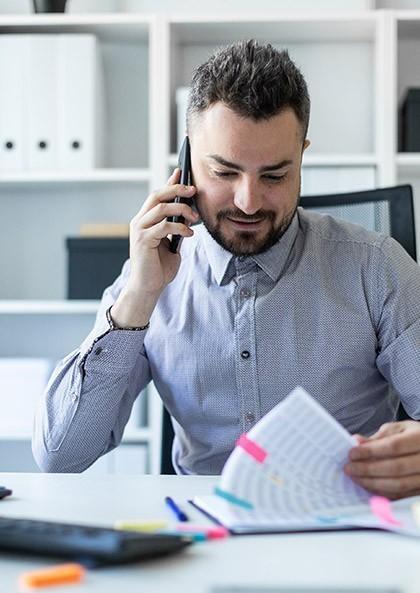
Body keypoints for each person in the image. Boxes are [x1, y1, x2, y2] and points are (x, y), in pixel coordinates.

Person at [33, 40, 420, 499]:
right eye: (224, 172)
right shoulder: (148, 278)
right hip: (200, 534)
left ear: (302, 155)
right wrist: (137, 299)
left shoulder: (375, 267)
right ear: (187, 161)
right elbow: (60, 455)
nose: (248, 201)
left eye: (275, 175)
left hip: (345, 526)